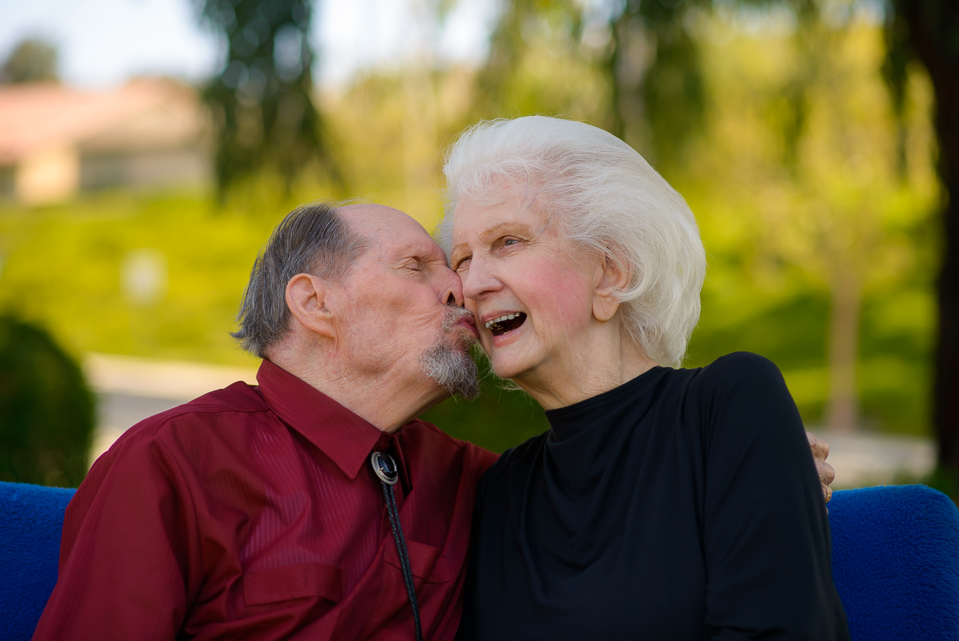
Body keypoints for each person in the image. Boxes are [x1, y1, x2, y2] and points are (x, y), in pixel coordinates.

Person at [33, 200, 835, 640]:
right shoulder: (170, 466)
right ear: (314, 302)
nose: (463, 289)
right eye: (420, 267)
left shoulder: (474, 481)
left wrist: (762, 465)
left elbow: (622, 488)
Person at [440, 116, 849, 640]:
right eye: (464, 259)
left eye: (509, 243)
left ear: (612, 273)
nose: (471, 284)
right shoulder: (500, 492)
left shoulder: (729, 407)